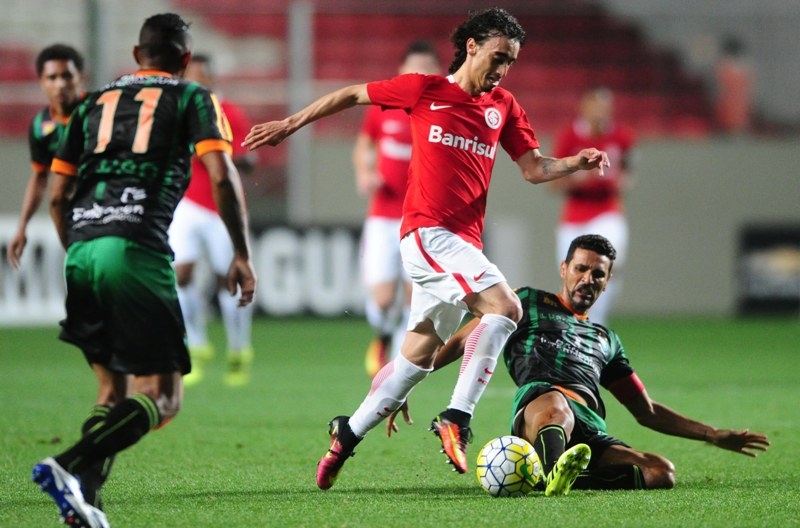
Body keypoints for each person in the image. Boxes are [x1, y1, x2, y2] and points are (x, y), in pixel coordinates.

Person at [244, 7, 610, 490]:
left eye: (511, 61)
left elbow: (533, 167)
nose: (503, 69)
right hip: (427, 233)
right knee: (506, 308)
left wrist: (574, 163)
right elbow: (352, 94)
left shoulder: (503, 106)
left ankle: (345, 435)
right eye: (498, 56)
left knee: (414, 362)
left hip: (461, 243)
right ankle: (456, 418)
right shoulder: (425, 90)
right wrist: (290, 124)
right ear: (472, 47)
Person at [31, 13, 256, 527]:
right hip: (135, 248)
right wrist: (241, 253)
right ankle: (65, 465)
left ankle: (84, 502)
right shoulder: (194, 97)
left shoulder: (92, 103)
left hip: (81, 250)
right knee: (163, 396)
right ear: (185, 60)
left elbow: (59, 194)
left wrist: (80, 248)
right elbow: (222, 177)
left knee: (110, 392)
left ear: (137, 55)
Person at [412, 234, 770, 496]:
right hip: (541, 411)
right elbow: (463, 340)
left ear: (607, 281)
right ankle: (553, 467)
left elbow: (645, 411)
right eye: (580, 268)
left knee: (660, 472)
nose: (587, 279)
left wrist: (712, 434)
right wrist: (408, 382)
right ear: (564, 269)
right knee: (557, 405)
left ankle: (555, 478)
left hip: (589, 430)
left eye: (598, 274)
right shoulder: (525, 302)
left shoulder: (606, 339)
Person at [168, 53, 258, 387]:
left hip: (224, 208)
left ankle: (238, 349)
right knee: (181, 274)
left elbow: (250, 160)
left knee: (228, 279)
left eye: (201, 75)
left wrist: (222, 153)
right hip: (187, 204)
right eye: (190, 75)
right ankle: (196, 344)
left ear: (212, 78)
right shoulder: (179, 112)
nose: (195, 81)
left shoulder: (228, 113)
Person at [353, 40, 440, 377]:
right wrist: (365, 172)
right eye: (414, 67)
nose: (419, 74)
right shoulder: (382, 106)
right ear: (401, 71)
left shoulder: (442, 112)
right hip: (383, 215)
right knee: (382, 298)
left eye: (426, 68)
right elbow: (364, 145)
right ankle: (383, 335)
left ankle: (396, 362)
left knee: (413, 294)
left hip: (421, 218)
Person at [549, 87, 636, 326]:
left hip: (607, 211)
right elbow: (554, 182)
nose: (599, 111)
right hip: (575, 215)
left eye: (604, 106)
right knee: (574, 274)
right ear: (584, 107)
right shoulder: (570, 136)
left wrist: (621, 180)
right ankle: (575, 324)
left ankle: (596, 322)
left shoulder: (621, 135)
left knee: (607, 263)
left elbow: (628, 170)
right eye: (595, 105)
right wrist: (580, 178)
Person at [6, 44, 86, 269]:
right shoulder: (41, 126)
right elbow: (40, 176)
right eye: (52, 77)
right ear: (41, 81)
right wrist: (22, 227)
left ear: (80, 77)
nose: (60, 84)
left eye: (67, 76)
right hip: (74, 211)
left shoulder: (96, 111)